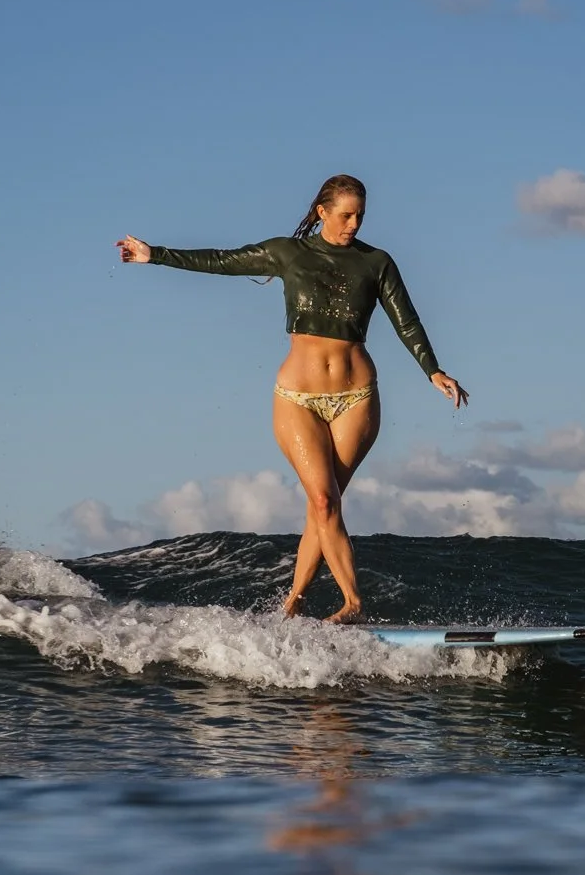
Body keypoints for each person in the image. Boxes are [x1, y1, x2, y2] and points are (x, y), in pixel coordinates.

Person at [117, 174, 468, 623]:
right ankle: (352, 604)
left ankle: (297, 603)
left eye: (361, 215)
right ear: (323, 212)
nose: (354, 223)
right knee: (324, 501)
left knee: (324, 504)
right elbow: (223, 261)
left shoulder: (376, 262)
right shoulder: (289, 253)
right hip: (297, 397)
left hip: (355, 397)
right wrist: (155, 255)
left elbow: (407, 319)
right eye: (346, 214)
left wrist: (432, 369)